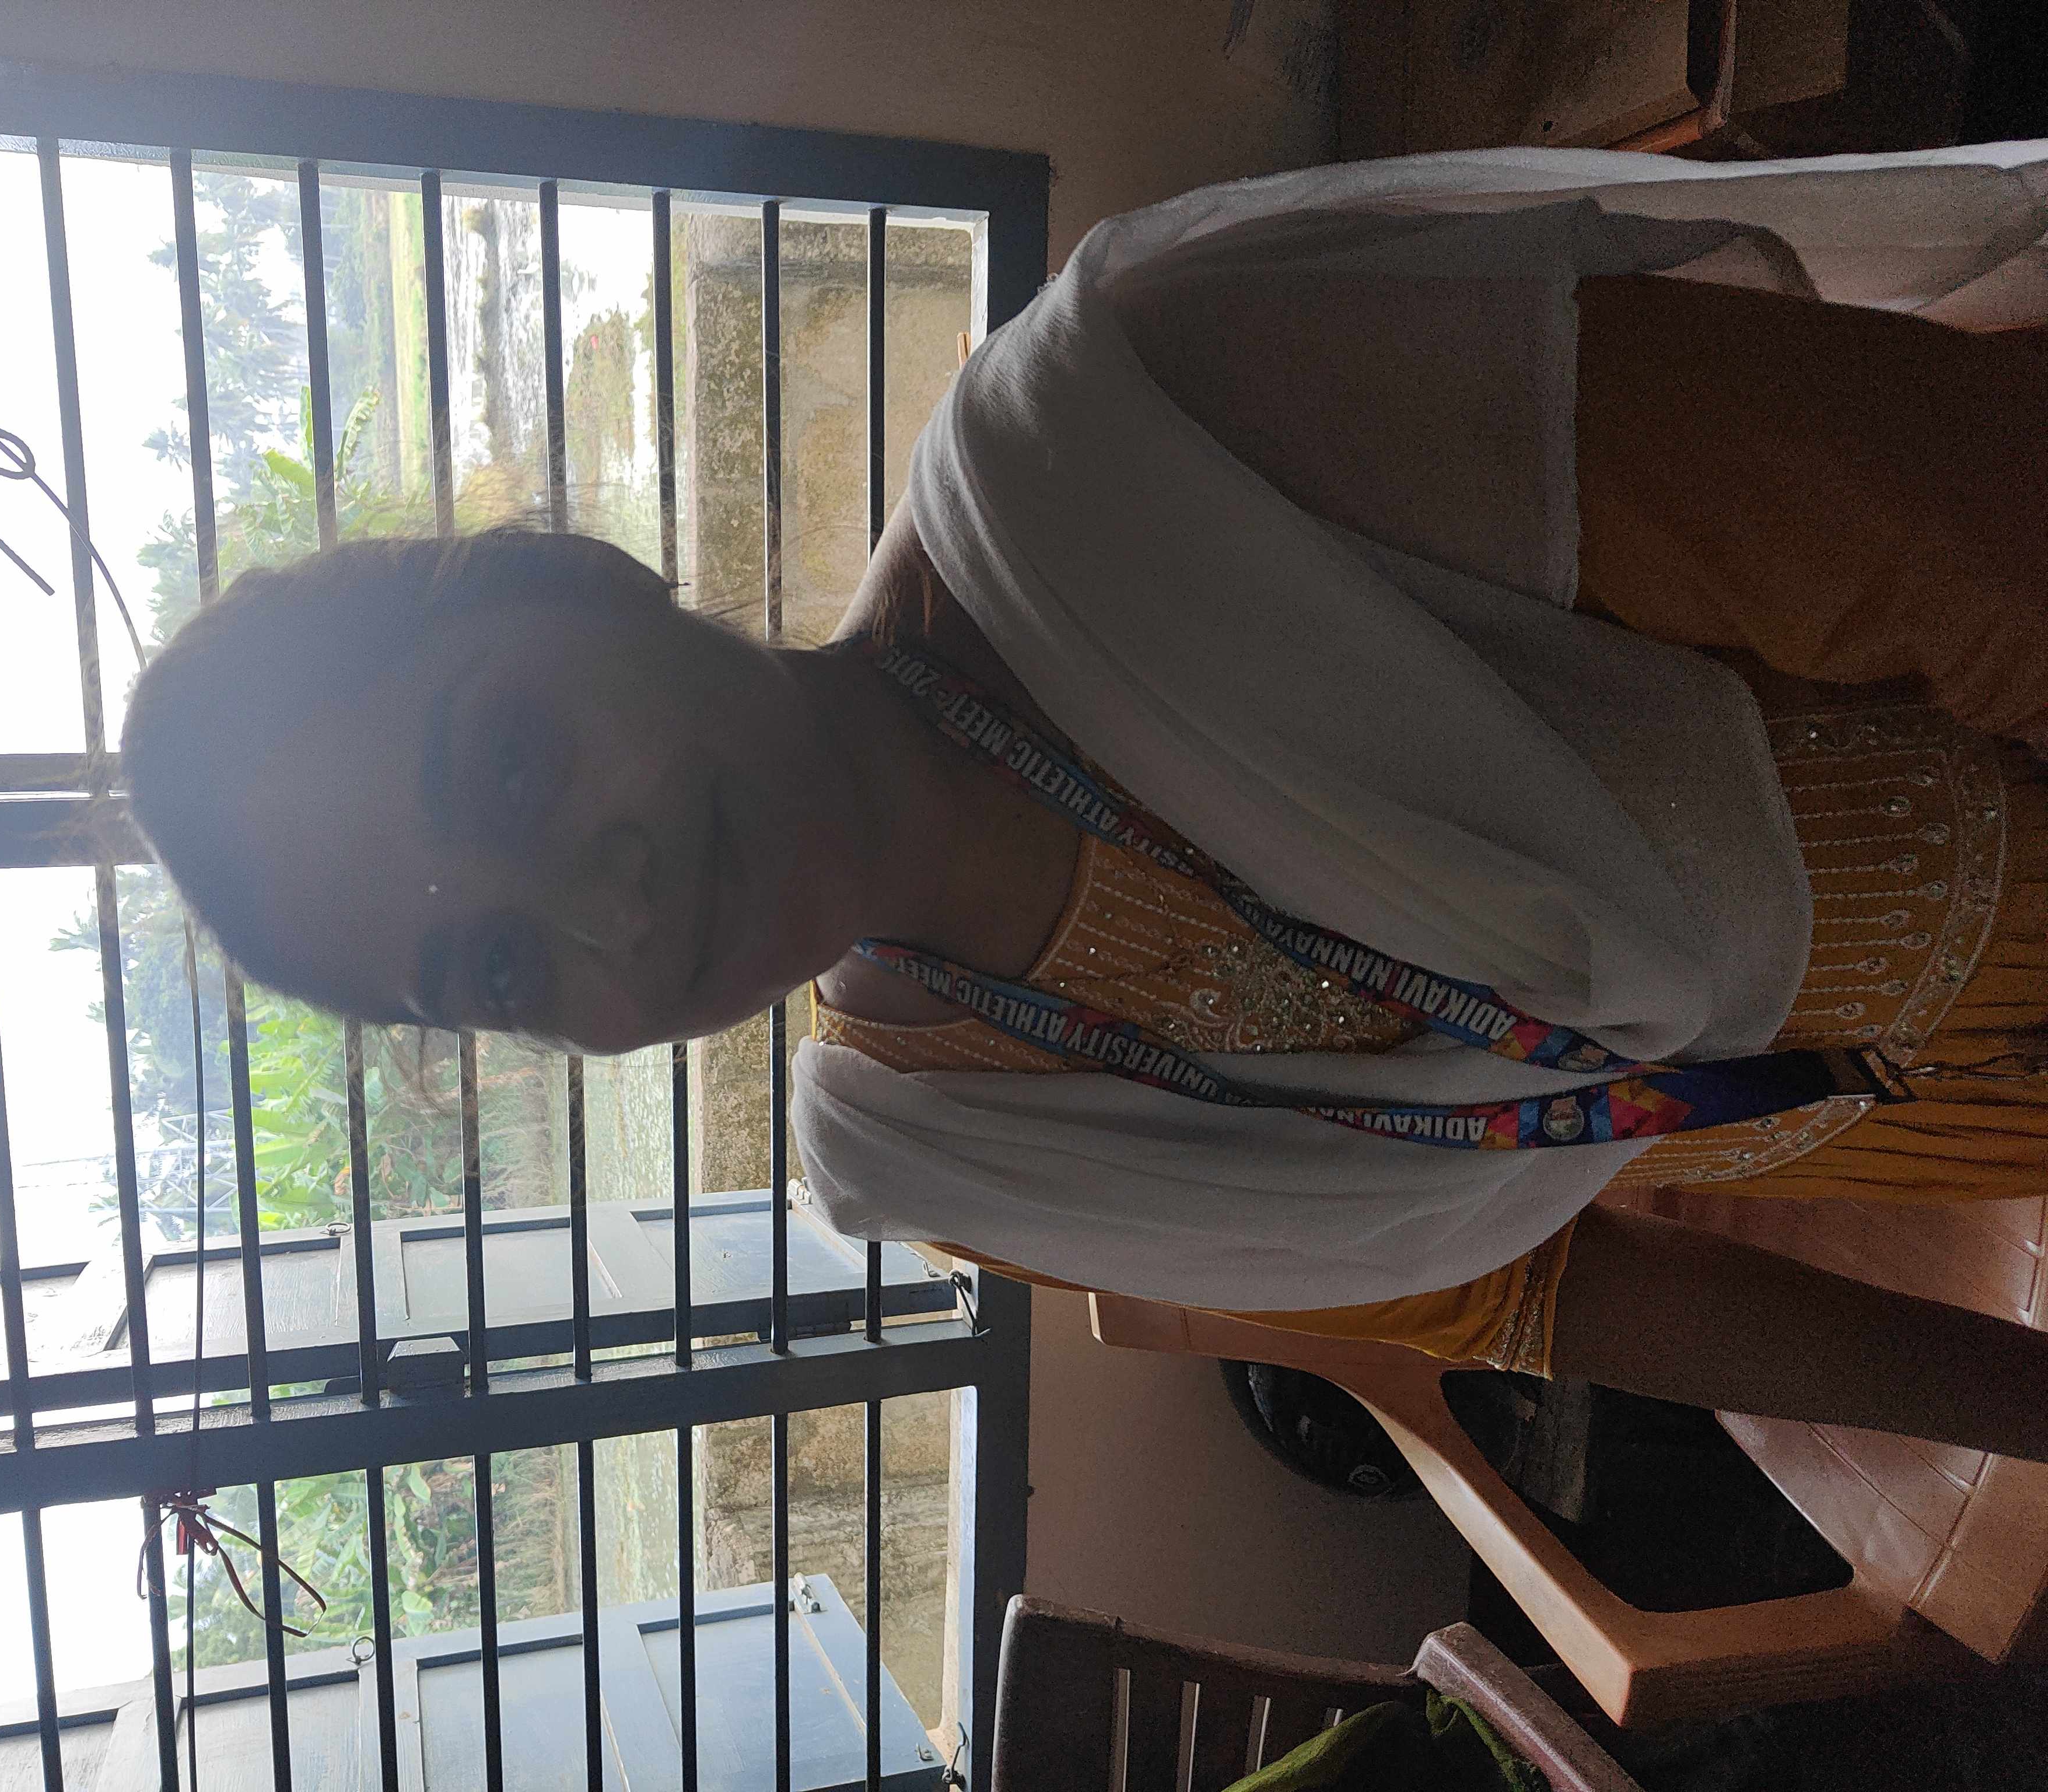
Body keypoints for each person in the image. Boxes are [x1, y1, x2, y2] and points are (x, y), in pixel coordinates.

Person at [122, 140, 2048, 1461]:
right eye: (494, 965)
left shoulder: (1148, 438)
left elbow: (1982, 543)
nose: (598, 898)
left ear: (581, 579)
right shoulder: (946, 1152)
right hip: (1959, 1136)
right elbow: (1532, 1292)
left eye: (507, 759)